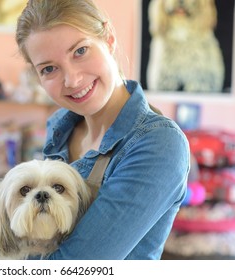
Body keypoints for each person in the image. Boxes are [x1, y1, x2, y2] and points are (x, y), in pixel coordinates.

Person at [15, 0, 190, 259]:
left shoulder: (159, 144)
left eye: (80, 51)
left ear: (108, 39)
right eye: (49, 69)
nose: (72, 80)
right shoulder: (60, 128)